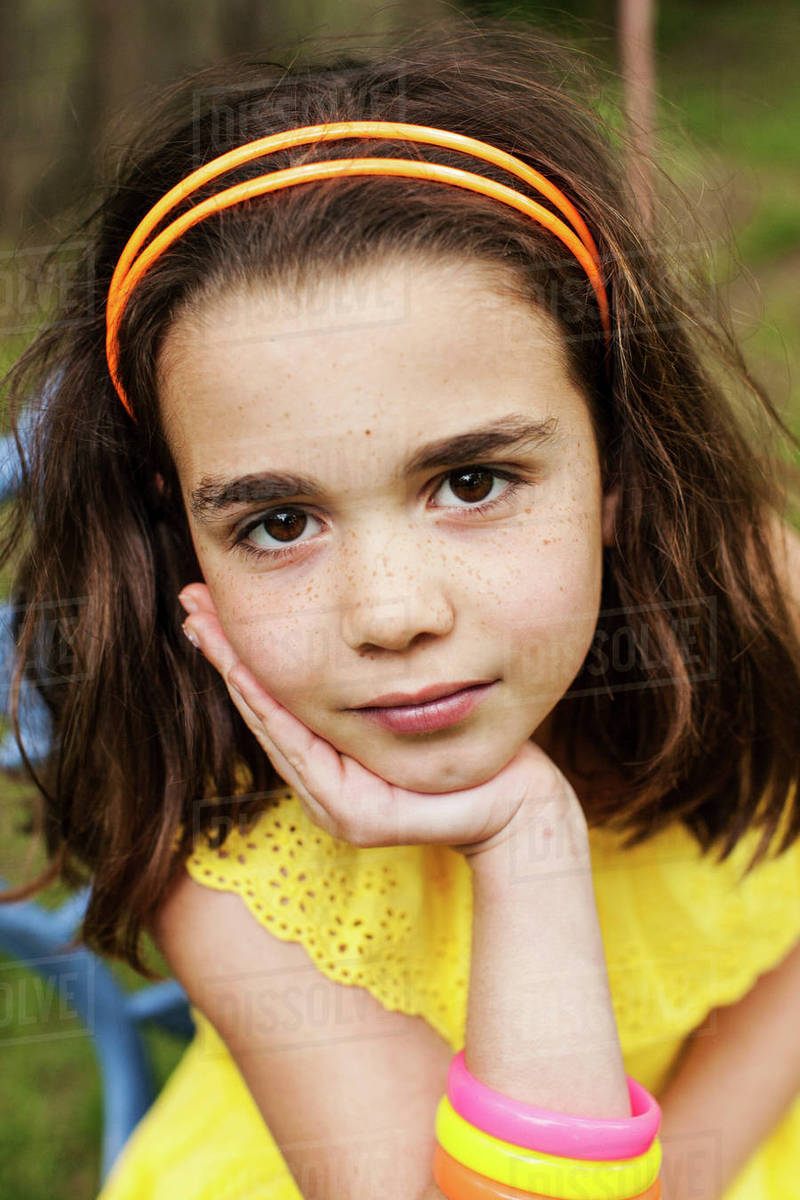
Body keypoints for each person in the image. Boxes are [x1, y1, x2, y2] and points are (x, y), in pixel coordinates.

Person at [2, 15, 799, 1200]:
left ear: (618, 472)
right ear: (183, 540)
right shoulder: (210, 826)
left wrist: (677, 1168)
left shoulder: (747, 591)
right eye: (276, 523)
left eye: (471, 482)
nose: (390, 615)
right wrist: (522, 840)